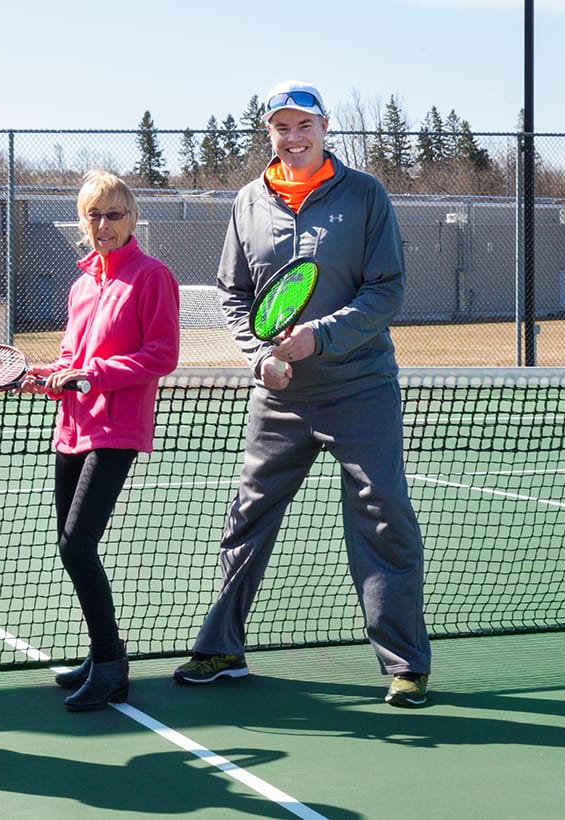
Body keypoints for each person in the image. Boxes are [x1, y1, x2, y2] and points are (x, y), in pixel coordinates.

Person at [173, 81, 432, 707]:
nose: (293, 138)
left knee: (383, 515)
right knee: (247, 516)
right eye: (281, 127)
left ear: (324, 128)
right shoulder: (247, 201)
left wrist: (321, 336)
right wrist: (260, 357)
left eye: (304, 126)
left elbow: (386, 289)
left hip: (359, 387)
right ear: (269, 133)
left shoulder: (365, 194)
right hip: (279, 397)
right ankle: (222, 646)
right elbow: (234, 295)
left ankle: (405, 665)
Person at [21, 169, 180, 711]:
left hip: (117, 427)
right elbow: (72, 359)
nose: (105, 224)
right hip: (73, 426)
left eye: (115, 214)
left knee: (76, 544)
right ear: (82, 222)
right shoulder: (81, 283)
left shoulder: (152, 275)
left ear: (132, 218)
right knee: (71, 548)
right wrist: (48, 376)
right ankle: (102, 652)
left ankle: (111, 666)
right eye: (95, 214)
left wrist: (95, 376)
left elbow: (162, 355)